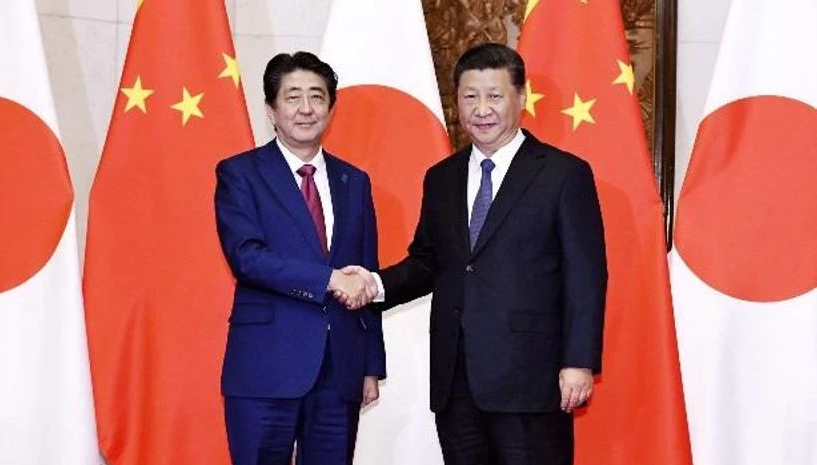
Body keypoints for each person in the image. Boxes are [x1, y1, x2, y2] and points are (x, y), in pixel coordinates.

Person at [339, 43, 607, 465]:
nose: (482, 109)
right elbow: (429, 261)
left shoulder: (563, 173)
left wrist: (579, 361)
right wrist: (373, 284)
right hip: (456, 380)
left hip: (530, 379)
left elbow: (586, 275)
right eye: (470, 96)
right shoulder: (442, 177)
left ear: (520, 97)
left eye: (494, 96)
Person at [214, 51, 385, 465]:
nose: (306, 109)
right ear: (271, 110)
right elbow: (247, 257)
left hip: (339, 372)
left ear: (330, 107)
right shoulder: (241, 173)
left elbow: (366, 271)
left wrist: (370, 365)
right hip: (265, 368)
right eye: (293, 97)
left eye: (317, 96)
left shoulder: (354, 181)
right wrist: (329, 279)